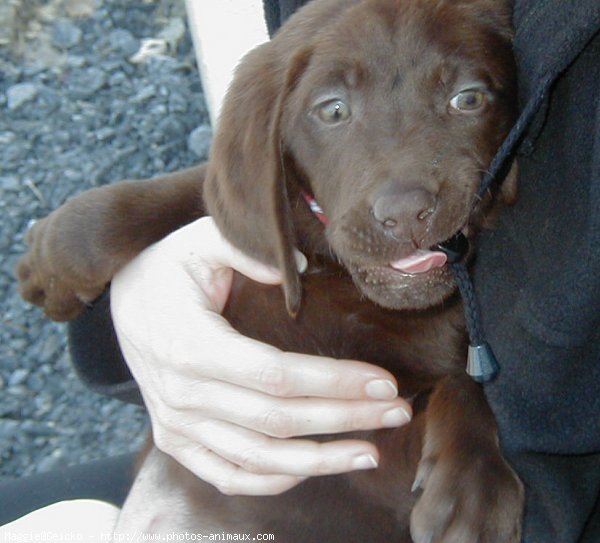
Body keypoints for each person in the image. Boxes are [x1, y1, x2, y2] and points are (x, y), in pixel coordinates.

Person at [2, 1, 599, 542]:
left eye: (466, 99)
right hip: (205, 475)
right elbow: (275, 150)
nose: (404, 205)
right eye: (334, 110)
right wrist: (139, 297)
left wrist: (466, 415)